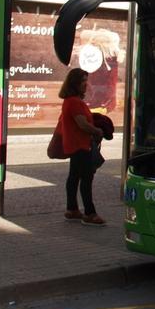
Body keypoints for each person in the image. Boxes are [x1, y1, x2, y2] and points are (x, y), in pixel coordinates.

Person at [58, 68, 105, 226]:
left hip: (74, 144)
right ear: (75, 83)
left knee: (74, 177)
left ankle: (72, 209)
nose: (86, 84)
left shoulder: (70, 101)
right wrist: (97, 130)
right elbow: (82, 124)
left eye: (86, 80)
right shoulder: (75, 102)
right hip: (80, 145)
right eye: (83, 81)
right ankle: (89, 213)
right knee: (86, 177)